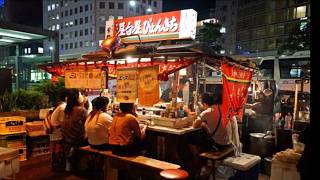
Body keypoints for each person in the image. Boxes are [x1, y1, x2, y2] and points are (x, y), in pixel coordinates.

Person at [188, 92, 232, 179]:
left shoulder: (207, 112)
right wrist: (204, 125)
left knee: (190, 138)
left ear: (204, 103)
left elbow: (194, 125)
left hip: (219, 144)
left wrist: (203, 124)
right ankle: (202, 161)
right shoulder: (222, 108)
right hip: (228, 143)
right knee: (202, 137)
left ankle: (197, 159)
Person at [61, 89, 88, 171]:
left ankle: (72, 155)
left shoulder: (66, 109)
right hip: (77, 139)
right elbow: (86, 124)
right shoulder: (81, 110)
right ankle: (78, 161)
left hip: (66, 137)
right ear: (78, 98)